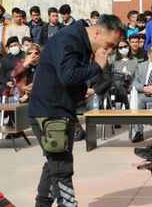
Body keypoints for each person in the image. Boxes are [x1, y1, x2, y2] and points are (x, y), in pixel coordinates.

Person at [29, 15, 123, 206]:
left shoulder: (82, 40)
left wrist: (84, 89)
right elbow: (68, 75)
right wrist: (96, 66)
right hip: (49, 113)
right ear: (97, 32)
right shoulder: (69, 39)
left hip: (61, 110)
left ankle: (43, 203)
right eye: (110, 44)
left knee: (54, 162)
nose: (110, 50)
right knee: (62, 167)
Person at [112, 38, 138, 108]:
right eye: (120, 47)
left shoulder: (135, 60)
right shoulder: (113, 60)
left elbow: (136, 76)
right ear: (117, 49)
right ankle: (126, 103)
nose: (123, 49)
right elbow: (111, 74)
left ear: (128, 47)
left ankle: (120, 105)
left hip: (130, 83)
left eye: (125, 46)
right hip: (116, 85)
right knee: (118, 83)